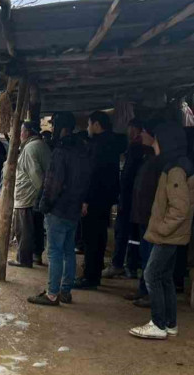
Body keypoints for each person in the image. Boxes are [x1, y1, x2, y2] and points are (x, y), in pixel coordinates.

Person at [129, 121, 194, 340]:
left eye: (157, 141)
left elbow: (180, 208)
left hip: (168, 235)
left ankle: (157, 324)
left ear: (167, 143)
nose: (154, 144)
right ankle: (170, 323)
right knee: (165, 277)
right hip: (172, 234)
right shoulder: (177, 164)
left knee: (151, 274)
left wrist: (161, 228)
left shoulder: (175, 170)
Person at [27, 111, 93, 306]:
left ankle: (52, 294)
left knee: (55, 252)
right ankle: (65, 291)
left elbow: (52, 183)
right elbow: (87, 179)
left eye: (55, 126)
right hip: (74, 208)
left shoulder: (61, 151)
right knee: (68, 251)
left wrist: (44, 204)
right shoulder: (83, 150)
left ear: (63, 128)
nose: (53, 130)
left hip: (59, 208)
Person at [77, 111, 125, 289]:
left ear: (97, 125)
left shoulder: (98, 146)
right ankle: (94, 275)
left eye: (89, 124)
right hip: (106, 199)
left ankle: (90, 278)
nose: (88, 128)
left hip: (94, 199)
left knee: (91, 239)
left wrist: (86, 200)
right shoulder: (113, 143)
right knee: (99, 237)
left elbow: (93, 175)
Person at [104, 118, 146, 280]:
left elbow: (128, 176)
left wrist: (121, 195)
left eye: (130, 129)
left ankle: (118, 265)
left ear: (135, 130)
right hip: (138, 200)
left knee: (123, 232)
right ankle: (132, 266)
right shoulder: (144, 150)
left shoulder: (136, 149)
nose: (128, 133)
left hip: (130, 198)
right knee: (134, 235)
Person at [127, 120, 163, 308]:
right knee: (144, 253)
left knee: (150, 257)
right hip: (142, 214)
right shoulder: (148, 157)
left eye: (145, 134)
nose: (141, 136)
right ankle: (143, 290)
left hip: (151, 216)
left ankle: (149, 293)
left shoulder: (160, 162)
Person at [9, 121, 51, 268]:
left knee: (24, 230)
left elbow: (36, 176)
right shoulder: (41, 145)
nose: (20, 135)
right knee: (37, 227)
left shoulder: (30, 148)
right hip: (36, 197)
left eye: (21, 132)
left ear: (26, 132)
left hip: (28, 196)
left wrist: (41, 194)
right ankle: (36, 256)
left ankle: (23, 259)